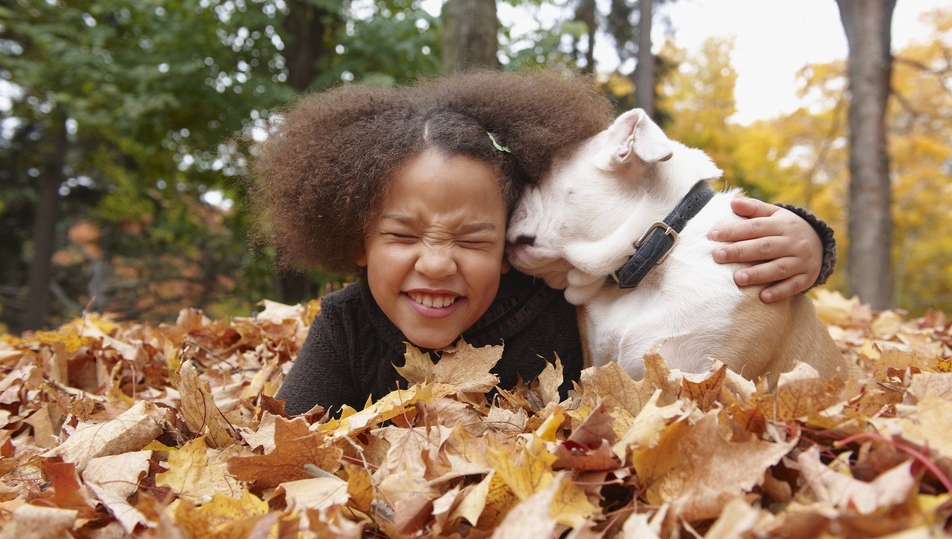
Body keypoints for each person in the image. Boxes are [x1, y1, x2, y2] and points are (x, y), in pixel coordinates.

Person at [250, 69, 837, 416]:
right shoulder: (345, 327)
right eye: (402, 235)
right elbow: (283, 453)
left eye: (474, 240)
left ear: (511, 245)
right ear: (357, 240)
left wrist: (808, 238)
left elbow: (661, 230)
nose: (435, 262)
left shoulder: (554, 302)